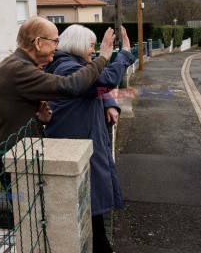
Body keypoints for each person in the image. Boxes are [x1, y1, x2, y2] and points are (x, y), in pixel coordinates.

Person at [0, 17, 116, 184]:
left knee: (28, 208)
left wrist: (40, 121)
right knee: (26, 209)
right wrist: (103, 58)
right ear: (38, 42)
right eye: (55, 41)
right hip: (14, 159)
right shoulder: (19, 70)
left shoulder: (19, 65)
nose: (57, 47)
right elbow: (71, 86)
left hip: (19, 156)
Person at [44, 25, 135, 253]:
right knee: (89, 210)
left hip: (84, 144)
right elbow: (101, 82)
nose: (94, 51)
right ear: (77, 44)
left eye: (96, 46)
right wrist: (121, 53)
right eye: (91, 45)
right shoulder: (66, 67)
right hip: (76, 149)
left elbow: (95, 88)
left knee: (93, 213)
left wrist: (109, 104)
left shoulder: (74, 65)